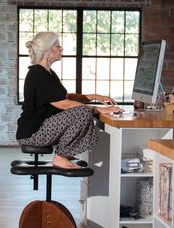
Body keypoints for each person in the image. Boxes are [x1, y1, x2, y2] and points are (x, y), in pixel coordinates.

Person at [16, 31, 123, 169]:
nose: (61, 48)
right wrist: (100, 110)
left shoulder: (48, 73)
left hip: (41, 128)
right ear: (48, 50)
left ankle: (65, 153)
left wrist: (95, 96)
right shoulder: (37, 74)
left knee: (83, 111)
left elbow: (66, 97)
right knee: (83, 112)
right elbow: (64, 104)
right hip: (33, 133)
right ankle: (60, 156)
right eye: (57, 46)